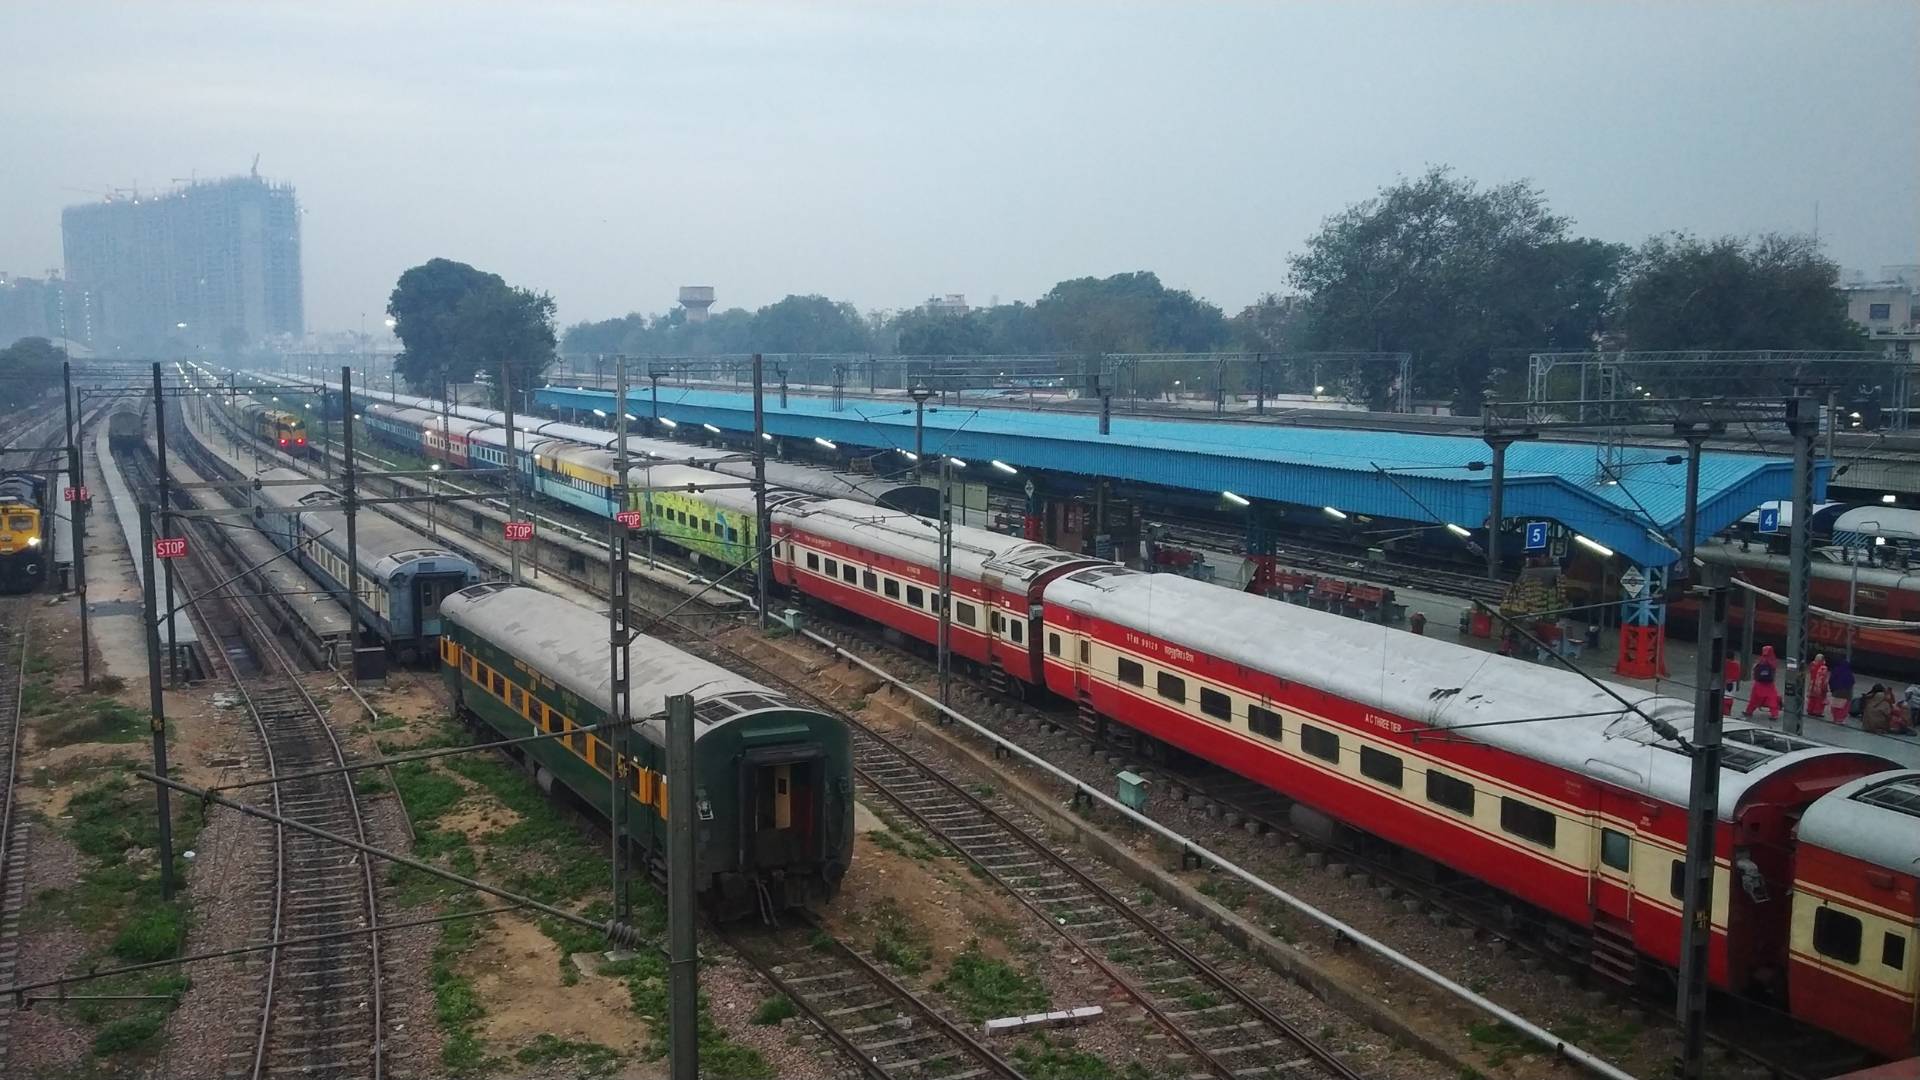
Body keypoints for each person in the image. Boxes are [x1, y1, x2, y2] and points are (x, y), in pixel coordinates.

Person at [1744, 646, 1782, 720]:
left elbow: (1755, 668)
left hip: (1759, 683)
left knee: (1754, 698)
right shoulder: (1773, 660)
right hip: (1769, 684)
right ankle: (1775, 714)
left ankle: (1749, 711)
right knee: (1771, 699)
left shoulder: (1761, 660)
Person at [1829, 656, 1856, 724]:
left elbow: (1831, 680)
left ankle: (1835, 718)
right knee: (1844, 706)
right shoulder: (1848, 672)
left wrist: (1832, 689)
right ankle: (1840, 719)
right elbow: (1852, 682)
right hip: (1846, 693)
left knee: (1836, 705)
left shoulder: (1835, 670)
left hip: (1836, 692)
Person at [1805, 653, 1830, 719]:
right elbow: (1821, 678)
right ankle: (1817, 712)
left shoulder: (1813, 665)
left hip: (1812, 684)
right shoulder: (1823, 668)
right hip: (1819, 685)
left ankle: (1810, 710)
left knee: (1812, 698)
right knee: (1819, 700)